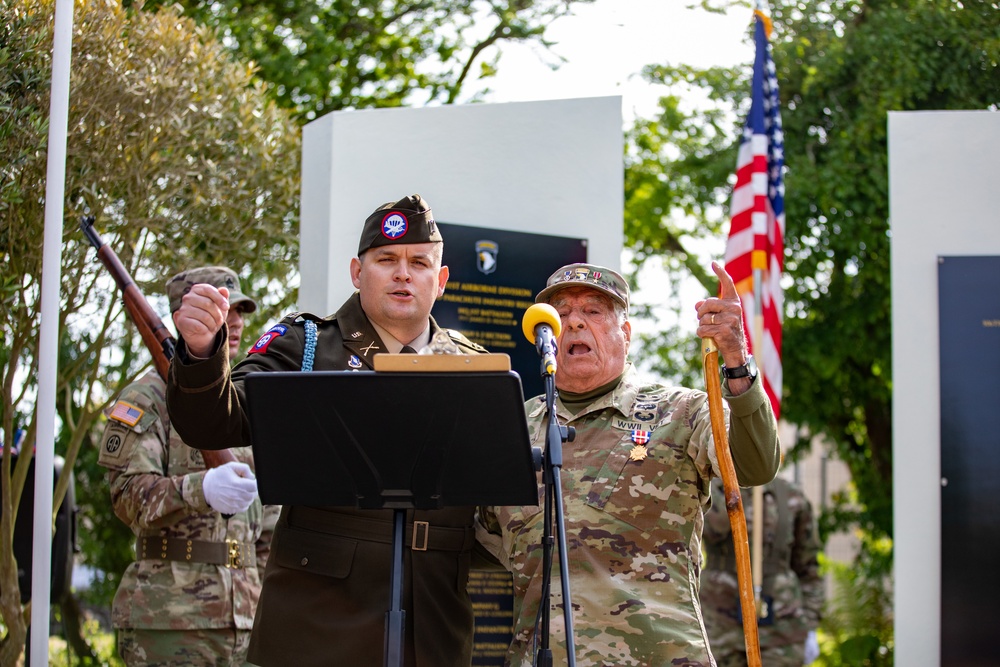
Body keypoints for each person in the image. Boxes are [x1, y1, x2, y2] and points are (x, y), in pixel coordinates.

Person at [166, 194, 488, 667]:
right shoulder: (307, 346)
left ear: (439, 281)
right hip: (316, 625)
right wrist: (200, 353)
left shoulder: (475, 367)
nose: (403, 273)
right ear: (358, 273)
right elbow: (215, 419)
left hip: (434, 624)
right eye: (387, 260)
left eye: (419, 262)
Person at [476, 261, 781, 666]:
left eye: (593, 311)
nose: (575, 323)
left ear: (626, 332)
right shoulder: (509, 428)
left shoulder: (683, 411)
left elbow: (756, 465)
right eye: (561, 314)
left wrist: (737, 361)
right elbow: (477, 539)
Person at [99, 266, 278, 666]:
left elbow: (270, 521)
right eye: (223, 309)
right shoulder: (148, 397)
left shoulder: (245, 400)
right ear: (186, 316)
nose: (234, 321)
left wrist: (269, 600)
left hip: (248, 622)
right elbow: (127, 496)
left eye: (239, 311)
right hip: (170, 618)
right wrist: (201, 488)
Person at [701, 475, 824, 666]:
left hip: (782, 632)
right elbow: (705, 530)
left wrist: (810, 624)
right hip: (718, 629)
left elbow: (808, 567)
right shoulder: (711, 490)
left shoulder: (790, 496)